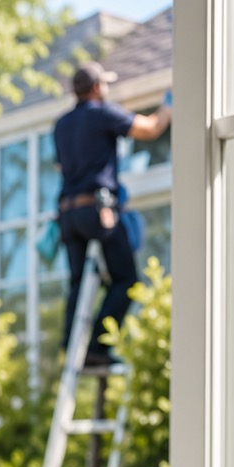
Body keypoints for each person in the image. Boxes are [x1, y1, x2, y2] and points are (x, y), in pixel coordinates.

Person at [53, 61, 172, 368]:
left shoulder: (62, 124)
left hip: (68, 213)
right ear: (96, 88)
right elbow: (150, 129)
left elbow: (60, 167)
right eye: (103, 84)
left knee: (79, 283)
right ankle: (96, 348)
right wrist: (168, 108)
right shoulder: (103, 113)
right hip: (97, 210)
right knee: (126, 280)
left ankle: (71, 345)